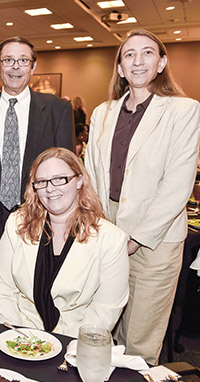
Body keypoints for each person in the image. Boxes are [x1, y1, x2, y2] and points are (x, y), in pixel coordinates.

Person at [85, 29, 200, 364]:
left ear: (161, 62)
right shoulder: (102, 113)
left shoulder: (183, 110)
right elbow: (90, 175)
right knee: (106, 323)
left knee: (140, 334)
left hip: (156, 237)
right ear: (120, 68)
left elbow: (178, 184)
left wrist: (135, 238)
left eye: (148, 52)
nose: (138, 60)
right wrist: (101, 229)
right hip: (108, 228)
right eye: (129, 54)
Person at [0, 148, 129, 338]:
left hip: (75, 343)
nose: (50, 188)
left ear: (79, 181)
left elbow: (104, 312)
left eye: (59, 179)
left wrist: (60, 347)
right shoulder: (17, 223)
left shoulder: (111, 239)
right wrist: (18, 339)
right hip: (20, 336)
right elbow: (2, 292)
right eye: (42, 182)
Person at [0, 36, 75, 242]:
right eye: (8, 60)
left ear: (33, 67)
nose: (15, 67)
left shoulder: (57, 110)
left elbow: (66, 172)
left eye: (23, 61)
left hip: (41, 220)